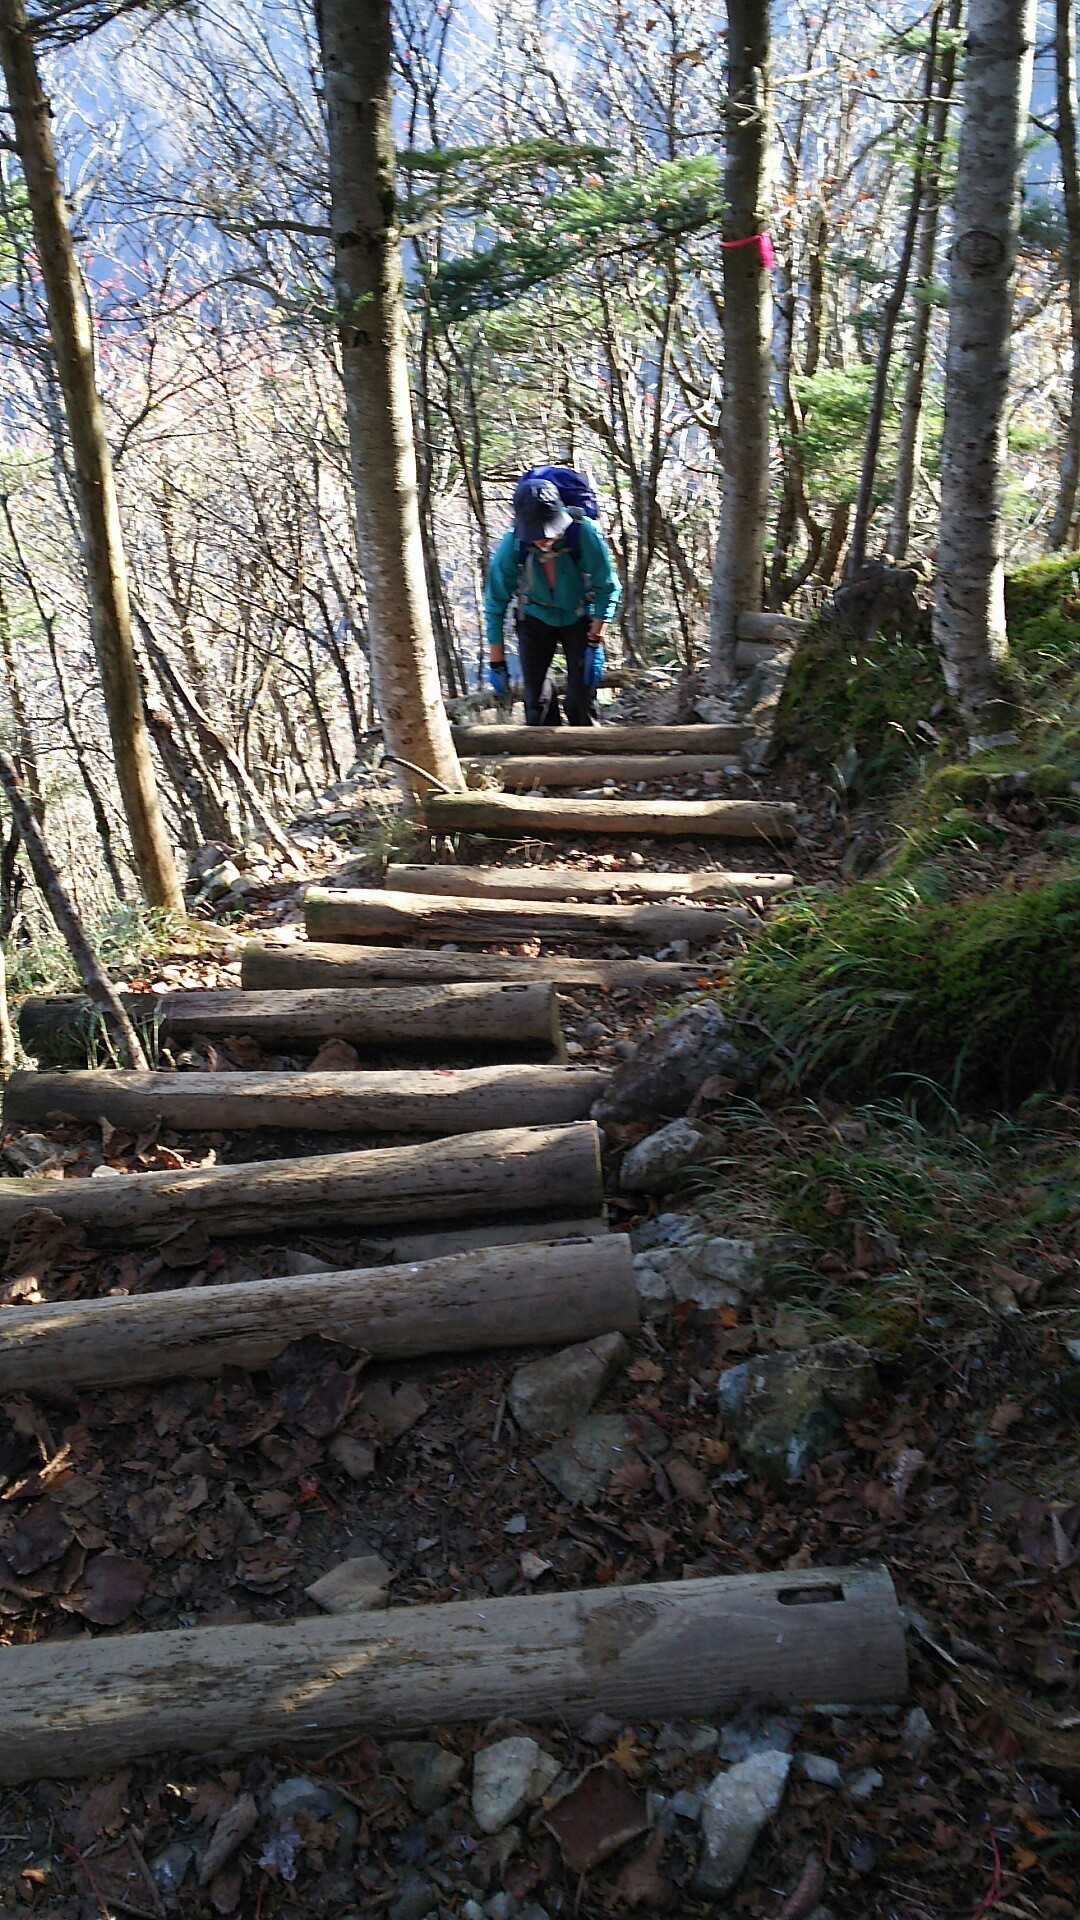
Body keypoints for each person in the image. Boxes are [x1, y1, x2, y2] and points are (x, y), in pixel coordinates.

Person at [484, 474, 622, 726]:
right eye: (536, 534)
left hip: (578, 616)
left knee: (581, 702)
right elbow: (495, 603)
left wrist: (595, 641)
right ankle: (545, 749)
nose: (544, 539)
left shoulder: (583, 534)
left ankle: (588, 747)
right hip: (534, 618)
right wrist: (497, 662)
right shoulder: (512, 547)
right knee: (537, 706)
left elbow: (608, 587)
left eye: (550, 530)